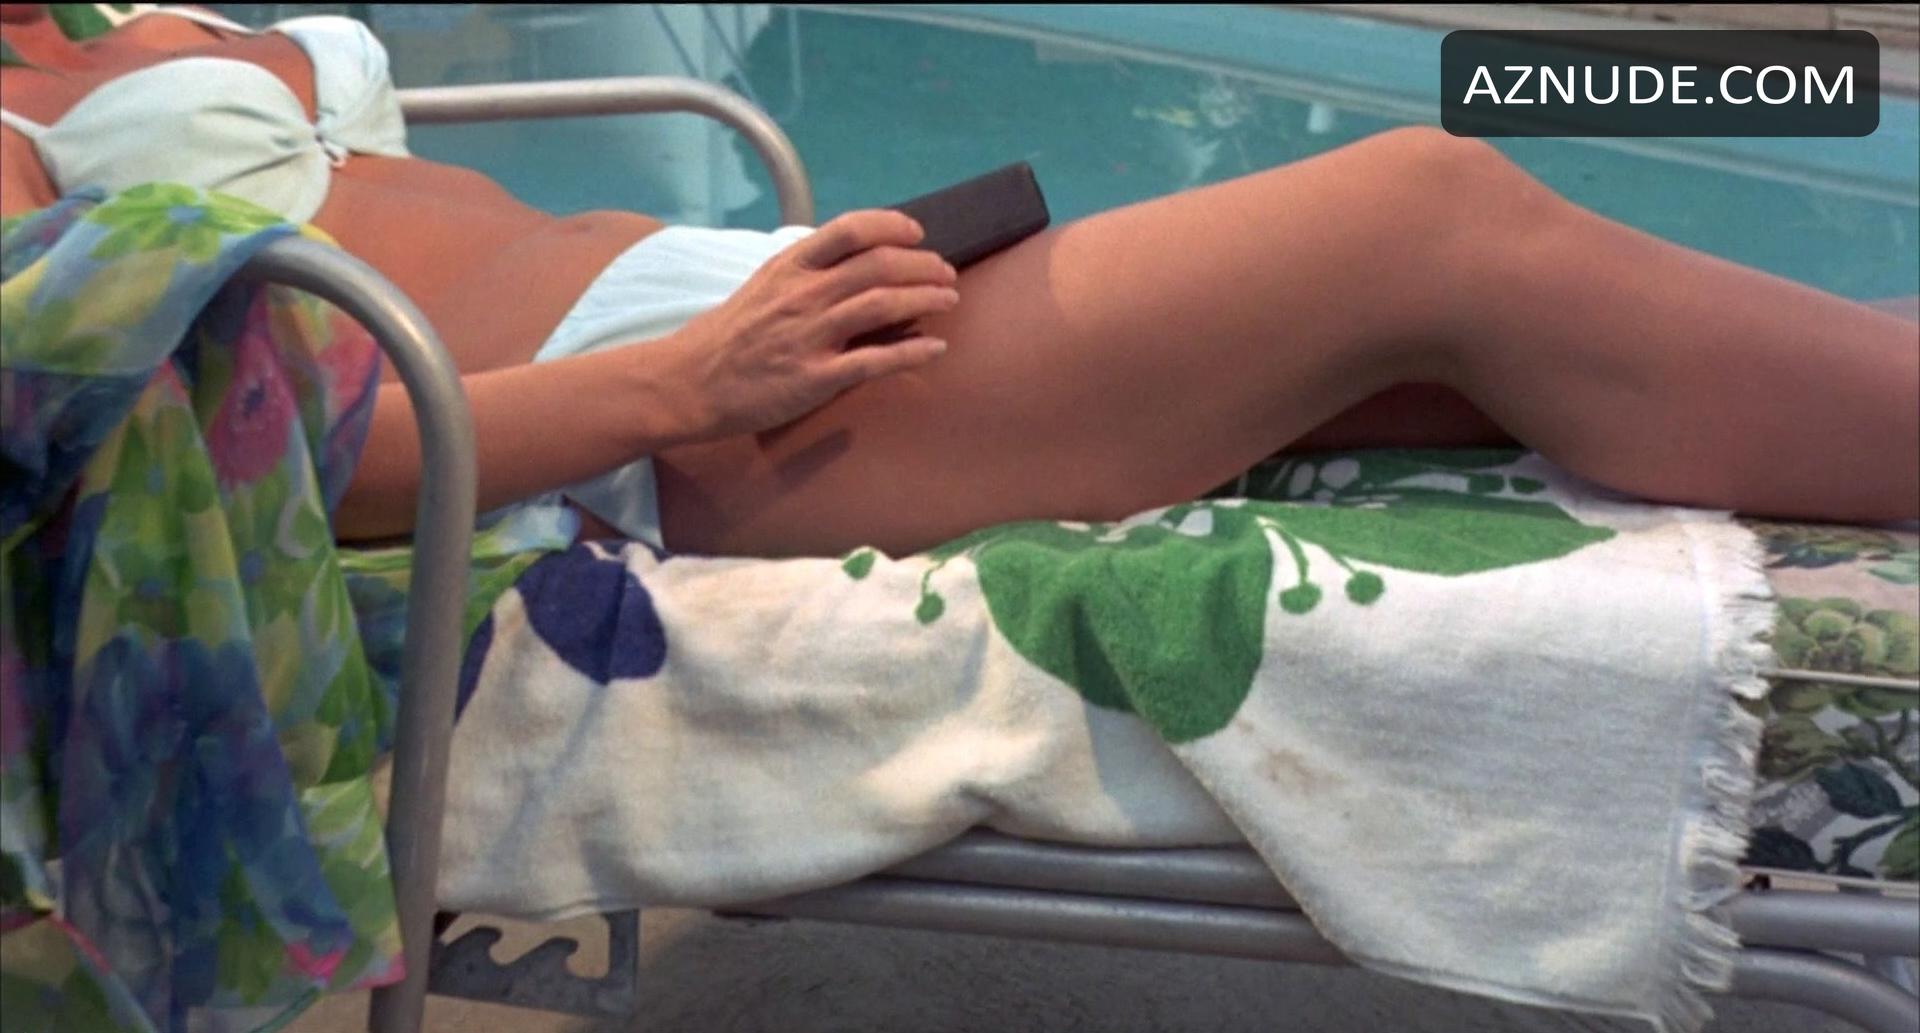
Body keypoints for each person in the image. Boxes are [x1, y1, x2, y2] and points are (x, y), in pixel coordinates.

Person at [2, 4, 1914, 560]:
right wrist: (685, 383)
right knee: (1425, 214)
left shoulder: (103, 19)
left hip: (723, 302)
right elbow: (186, 459)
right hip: (611, 433)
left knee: (1463, 355)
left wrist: (737, 309)